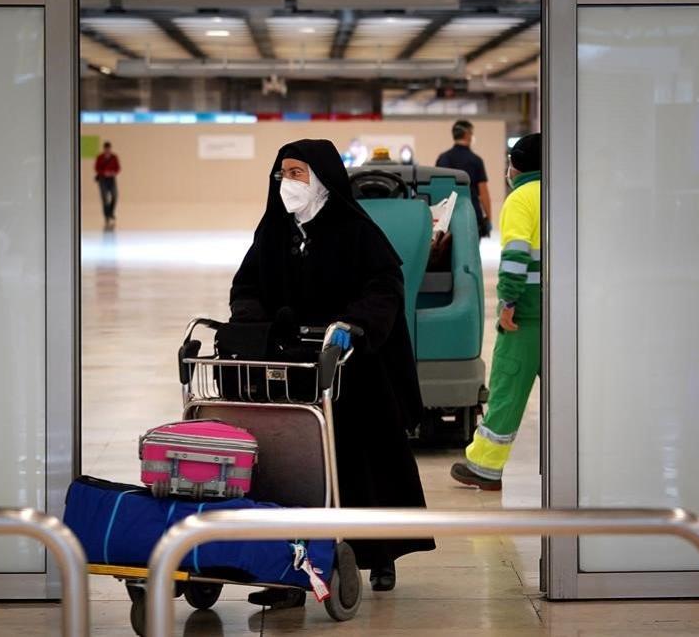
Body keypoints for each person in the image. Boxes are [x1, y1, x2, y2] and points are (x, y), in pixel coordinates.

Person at [230, 138, 435, 604]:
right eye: (283, 173)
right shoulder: (273, 233)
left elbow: (385, 286)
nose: (288, 182)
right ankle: (290, 573)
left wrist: (355, 323)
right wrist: (251, 320)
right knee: (292, 469)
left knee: (364, 463)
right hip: (294, 370)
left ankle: (380, 555)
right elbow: (246, 285)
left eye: (298, 173)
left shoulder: (355, 231)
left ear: (322, 179)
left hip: (352, 368)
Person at [451, 133, 542, 491]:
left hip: (527, 316)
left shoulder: (521, 197)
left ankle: (486, 467)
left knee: (507, 387)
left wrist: (508, 302)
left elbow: (517, 256)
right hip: (562, 313)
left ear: (516, 165)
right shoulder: (565, 192)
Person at [435, 119, 492, 237]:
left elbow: (437, 189)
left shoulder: (443, 158)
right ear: (467, 135)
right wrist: (488, 219)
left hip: (447, 217)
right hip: (471, 215)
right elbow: (483, 193)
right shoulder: (476, 160)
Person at [94, 141, 121, 229]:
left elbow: (118, 168)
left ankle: (111, 212)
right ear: (104, 149)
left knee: (115, 195)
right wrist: (104, 173)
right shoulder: (100, 157)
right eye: (106, 149)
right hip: (103, 179)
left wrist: (113, 172)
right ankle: (106, 216)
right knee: (105, 198)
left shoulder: (114, 157)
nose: (107, 150)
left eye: (109, 149)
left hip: (111, 179)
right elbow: (96, 168)